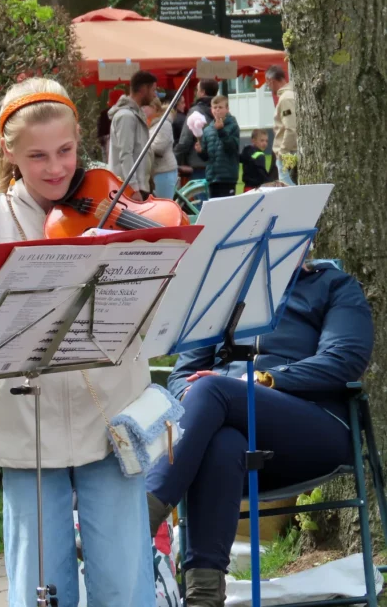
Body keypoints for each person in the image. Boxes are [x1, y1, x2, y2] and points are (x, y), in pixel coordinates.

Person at [0, 77, 156, 607]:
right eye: (38, 156)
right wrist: (3, 279)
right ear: (9, 153)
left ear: (80, 139)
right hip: (28, 424)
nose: (56, 168)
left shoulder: (109, 202)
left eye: (66, 151)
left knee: (125, 581)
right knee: (37, 584)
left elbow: (159, 303)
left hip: (110, 414)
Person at [145, 245, 374, 606]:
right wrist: (199, 395)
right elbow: (180, 377)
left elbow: (343, 359)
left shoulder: (333, 285)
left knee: (212, 390)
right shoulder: (221, 296)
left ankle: (138, 521)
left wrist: (262, 380)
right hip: (233, 441)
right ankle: (204, 597)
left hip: (313, 429)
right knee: (223, 443)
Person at [108, 71, 158, 196]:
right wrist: (133, 188)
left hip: (139, 186)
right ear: (144, 89)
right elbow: (125, 154)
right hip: (130, 189)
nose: (154, 95)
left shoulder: (135, 114)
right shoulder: (126, 116)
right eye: (153, 90)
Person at [195, 95, 241, 198]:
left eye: (220, 107)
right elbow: (207, 157)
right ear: (211, 110)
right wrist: (200, 151)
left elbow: (232, 148)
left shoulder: (233, 126)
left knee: (227, 205)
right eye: (215, 107)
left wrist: (221, 131)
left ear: (227, 109)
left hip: (227, 177)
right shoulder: (208, 129)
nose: (217, 110)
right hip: (213, 177)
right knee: (213, 204)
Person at [174, 79, 219, 181]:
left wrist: (174, 158)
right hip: (219, 164)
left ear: (202, 92)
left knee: (201, 191)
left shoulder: (196, 111)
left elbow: (185, 139)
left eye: (197, 90)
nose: (196, 93)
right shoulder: (221, 111)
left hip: (199, 164)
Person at [266, 65, 297, 185]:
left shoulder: (285, 99)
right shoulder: (291, 94)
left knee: (287, 188)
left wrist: (282, 152)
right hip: (291, 150)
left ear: (271, 81)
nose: (268, 87)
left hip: (288, 152)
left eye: (267, 84)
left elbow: (291, 128)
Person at [147, 98, 178, 199]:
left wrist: (141, 147)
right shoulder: (153, 124)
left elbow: (159, 147)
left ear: (154, 108)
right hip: (156, 172)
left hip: (163, 172)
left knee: (163, 205)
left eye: (145, 107)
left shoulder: (164, 123)